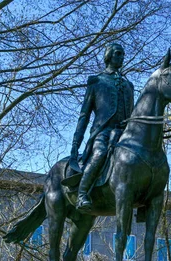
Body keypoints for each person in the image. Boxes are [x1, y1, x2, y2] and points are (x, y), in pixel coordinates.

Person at [70, 43, 134, 213]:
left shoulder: (129, 85)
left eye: (123, 54)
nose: (121, 57)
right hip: (103, 132)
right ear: (109, 56)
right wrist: (76, 143)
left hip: (124, 134)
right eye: (118, 54)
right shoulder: (97, 81)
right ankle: (82, 194)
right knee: (100, 153)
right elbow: (84, 115)